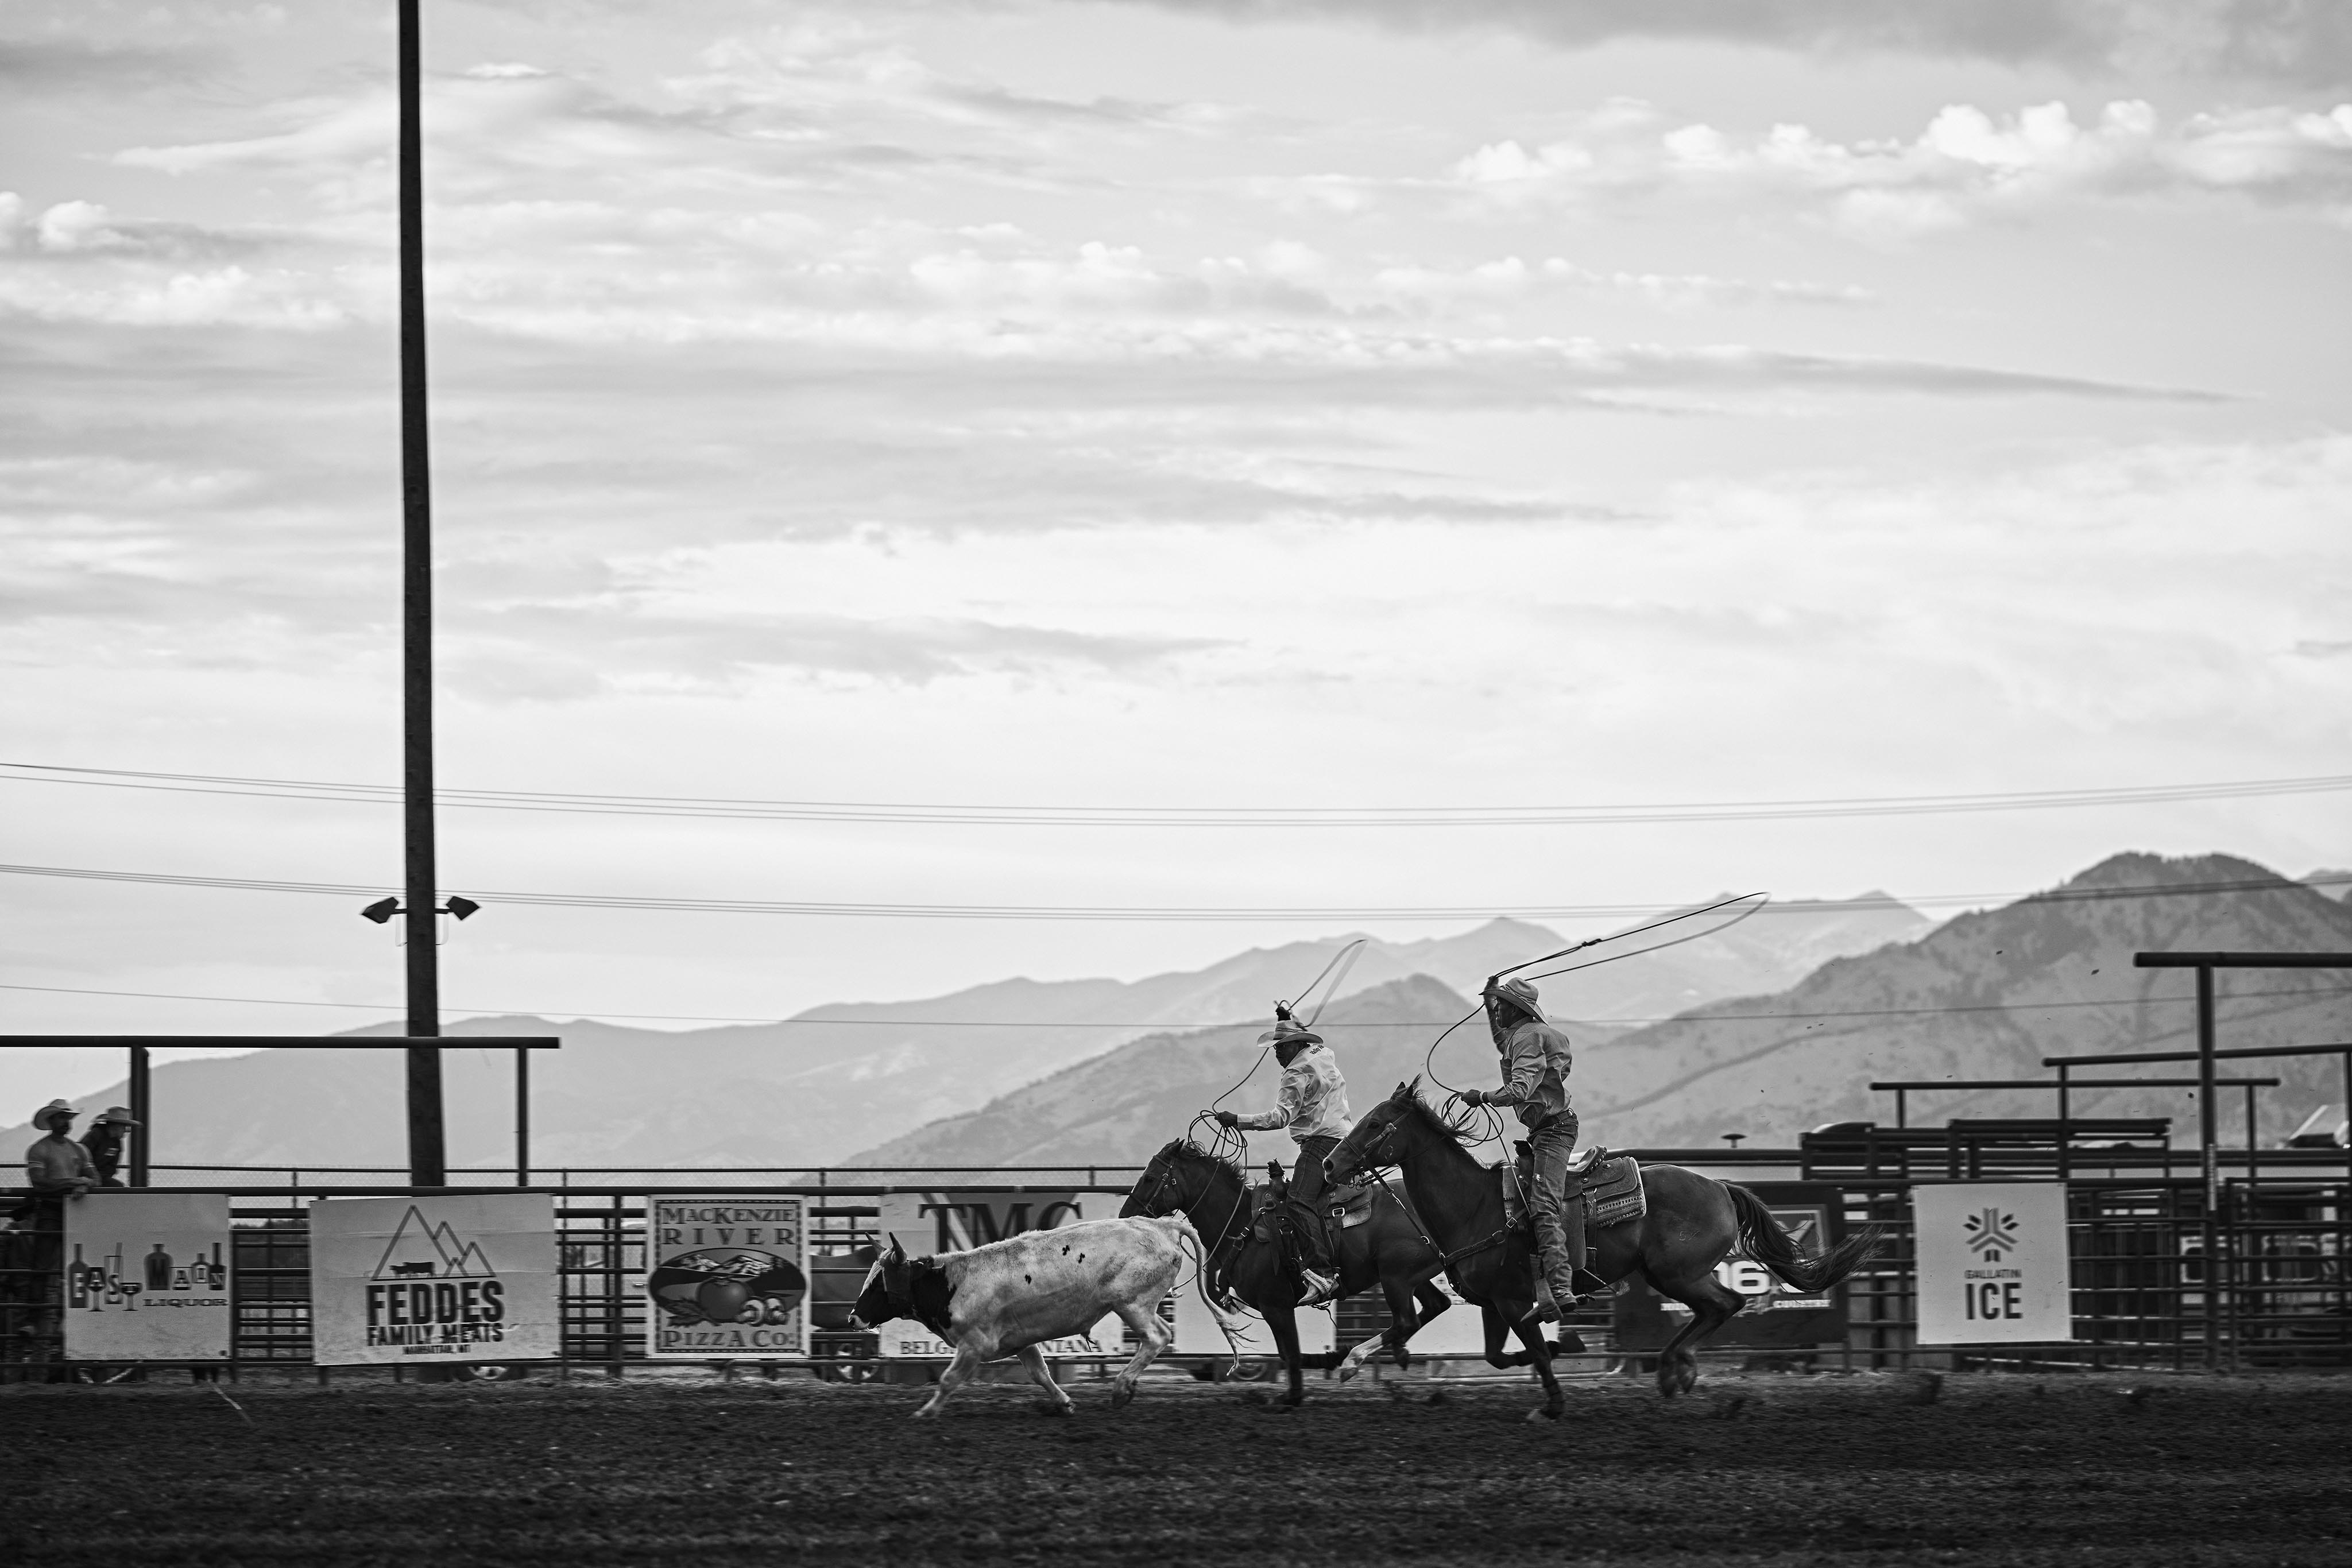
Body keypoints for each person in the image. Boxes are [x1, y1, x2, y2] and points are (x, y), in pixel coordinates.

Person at [1460, 975, 1597, 1323]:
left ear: (1514, 1008)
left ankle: (1561, 1288)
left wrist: (1483, 1098)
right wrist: (1493, 994)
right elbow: (1509, 1044)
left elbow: (1520, 1089)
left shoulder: (1526, 1037)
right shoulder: (1542, 1036)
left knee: (1542, 1206)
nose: (1496, 1010)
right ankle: (1544, 1291)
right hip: (1549, 1129)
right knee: (1525, 1202)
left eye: (1499, 1006)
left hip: (1552, 1132)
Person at [1214, 1006, 1353, 1305]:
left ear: (1297, 1045)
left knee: (1299, 1201)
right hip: (1343, 1139)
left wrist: (1237, 1120)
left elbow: (1280, 1118)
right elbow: (1311, 1040)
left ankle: (1323, 1273)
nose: (1277, 1053)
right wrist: (1286, 1020)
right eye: (1276, 1048)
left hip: (1319, 1144)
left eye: (1282, 1047)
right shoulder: (1322, 1054)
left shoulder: (1295, 1072)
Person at [79, 1107, 138, 1189]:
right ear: (115, 1126)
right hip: (83, 1176)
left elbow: (112, 1167)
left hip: (101, 1178)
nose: (126, 1130)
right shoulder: (96, 1135)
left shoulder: (117, 1142)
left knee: (118, 1187)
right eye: (124, 1126)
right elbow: (80, 1156)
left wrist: (100, 1178)